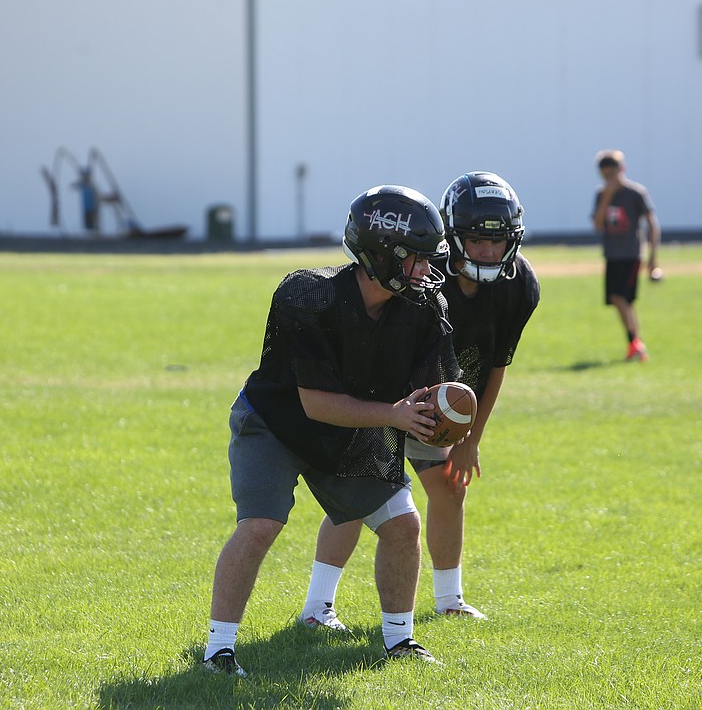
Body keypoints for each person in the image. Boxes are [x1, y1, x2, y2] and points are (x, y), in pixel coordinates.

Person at [203, 185, 459, 675]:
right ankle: (218, 649)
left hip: (356, 426)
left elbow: (436, 389)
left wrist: (448, 415)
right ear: (381, 255)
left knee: (404, 526)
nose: (427, 272)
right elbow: (314, 403)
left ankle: (399, 641)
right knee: (260, 525)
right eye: (417, 260)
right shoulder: (309, 294)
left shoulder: (424, 310)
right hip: (275, 424)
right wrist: (394, 415)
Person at [300, 171, 540, 628]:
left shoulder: (518, 285)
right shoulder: (418, 275)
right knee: (360, 494)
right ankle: (317, 608)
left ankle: (449, 598)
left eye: (498, 241)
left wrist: (470, 437)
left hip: (440, 402)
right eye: (475, 239)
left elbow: (495, 366)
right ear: (452, 236)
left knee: (451, 486)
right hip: (380, 394)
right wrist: (385, 414)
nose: (489, 252)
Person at [590, 150, 661, 362]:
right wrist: (608, 196)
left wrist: (653, 258)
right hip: (612, 255)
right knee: (616, 298)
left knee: (622, 298)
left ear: (622, 169)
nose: (610, 178)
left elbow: (652, 224)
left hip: (631, 254)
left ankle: (636, 344)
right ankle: (633, 343)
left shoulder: (635, 193)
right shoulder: (601, 194)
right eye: (605, 175)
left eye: (613, 173)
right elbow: (597, 225)